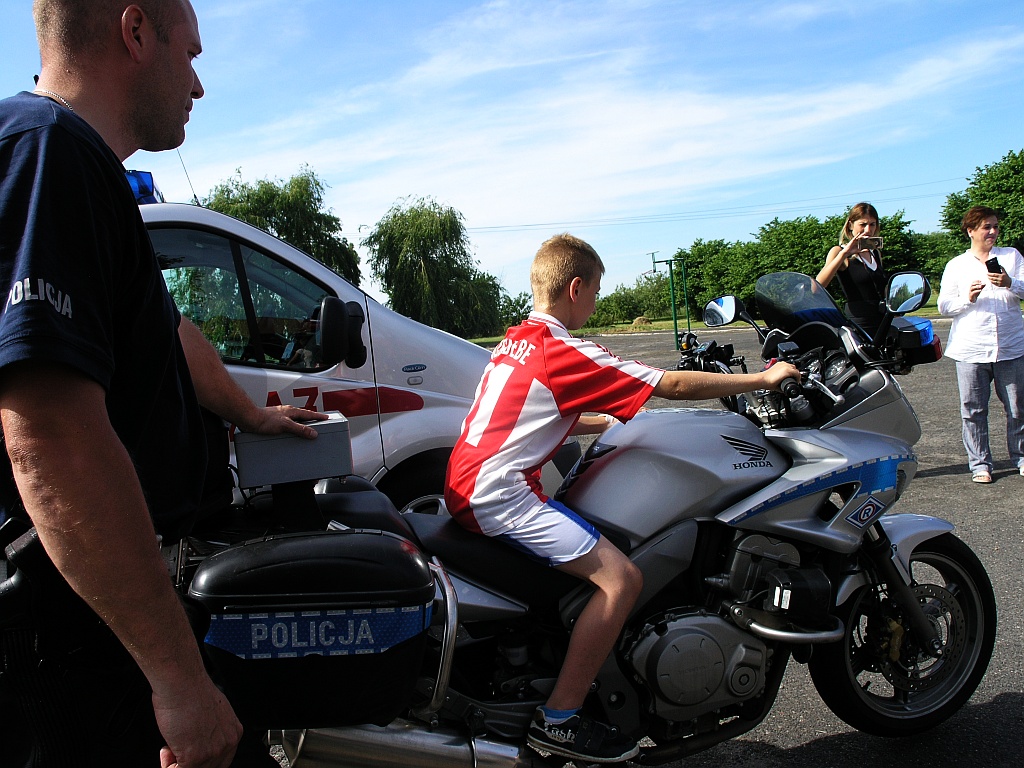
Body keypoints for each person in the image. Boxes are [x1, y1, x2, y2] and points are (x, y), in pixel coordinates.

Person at [0, 2, 326, 766]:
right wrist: (177, 680)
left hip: (98, 614)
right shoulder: (49, 154)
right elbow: (49, 433)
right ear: (136, 31)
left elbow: (171, 337)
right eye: (192, 53)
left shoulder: (81, 166)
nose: (200, 85)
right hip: (71, 632)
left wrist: (251, 413)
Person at [444, 233, 799, 764]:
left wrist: (598, 419)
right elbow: (669, 385)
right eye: (596, 292)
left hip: (467, 480)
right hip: (499, 495)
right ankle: (558, 720)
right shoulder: (564, 347)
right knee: (621, 578)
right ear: (575, 286)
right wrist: (764, 377)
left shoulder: (516, 339)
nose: (596, 302)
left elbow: (524, 413)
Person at [937, 205, 1024, 484]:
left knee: (1017, 407)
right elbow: (943, 307)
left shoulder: (1011, 256)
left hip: (1010, 345)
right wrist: (968, 298)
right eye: (987, 227)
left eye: (995, 226)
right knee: (973, 409)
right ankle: (980, 465)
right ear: (970, 230)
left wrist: (1011, 283)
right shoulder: (956, 265)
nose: (993, 232)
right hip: (971, 348)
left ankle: (1021, 458)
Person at [816, 202, 887, 332]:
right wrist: (845, 253)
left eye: (872, 224)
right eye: (863, 224)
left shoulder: (875, 253)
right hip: (860, 323)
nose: (868, 230)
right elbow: (817, 286)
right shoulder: (838, 251)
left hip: (882, 319)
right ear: (850, 225)